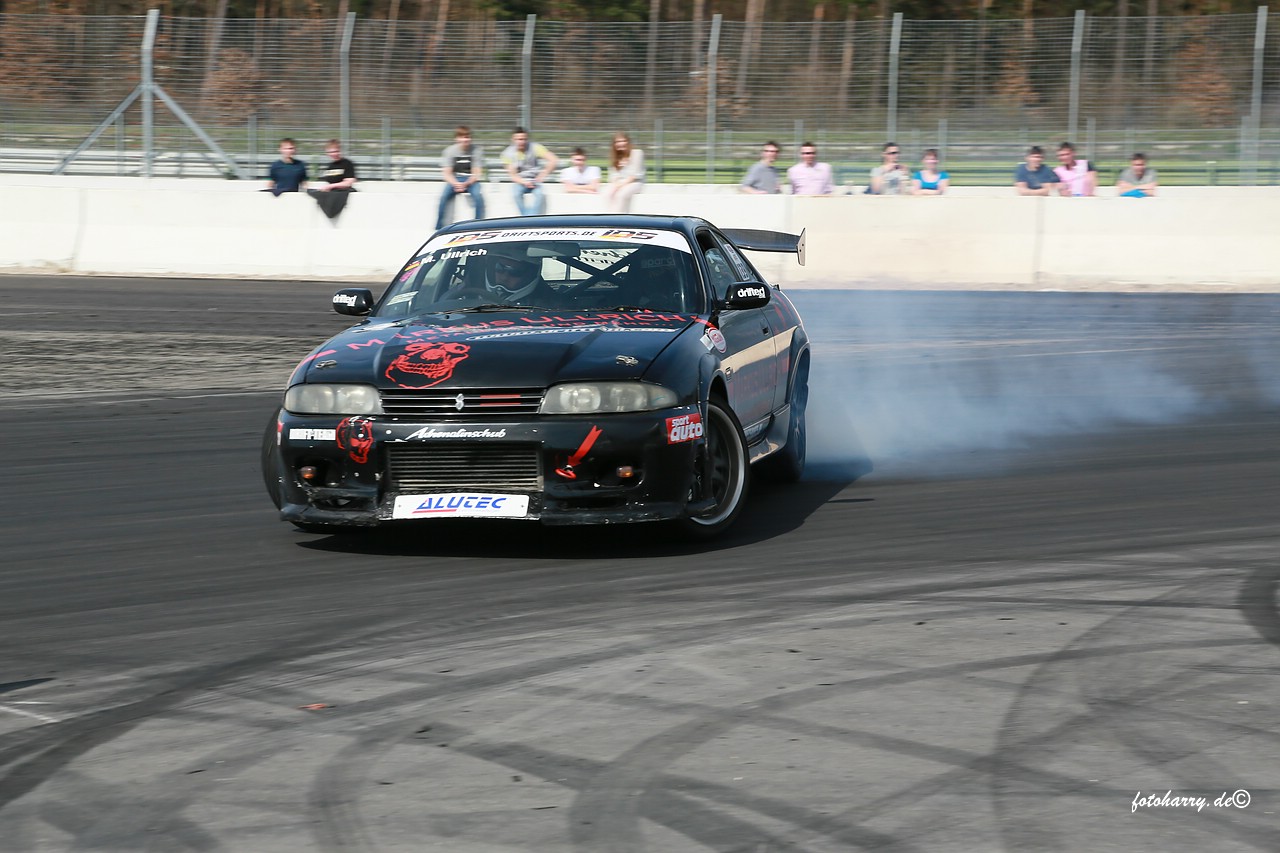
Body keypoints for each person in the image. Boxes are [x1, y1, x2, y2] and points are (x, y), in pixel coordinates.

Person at [437, 126, 486, 228]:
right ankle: (439, 226)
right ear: (457, 138)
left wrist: (466, 184)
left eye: (467, 137)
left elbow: (477, 173)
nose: (465, 140)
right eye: (462, 137)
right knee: (443, 197)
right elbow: (446, 173)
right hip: (455, 179)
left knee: (478, 196)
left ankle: (477, 225)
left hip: (471, 180)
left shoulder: (477, 150)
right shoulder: (449, 151)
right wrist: (455, 184)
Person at [502, 127, 558, 216]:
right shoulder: (507, 153)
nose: (522, 142)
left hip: (534, 179)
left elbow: (553, 160)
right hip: (519, 181)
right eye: (519, 139)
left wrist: (543, 175)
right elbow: (513, 176)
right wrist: (524, 182)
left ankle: (532, 217)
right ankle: (525, 217)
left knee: (540, 194)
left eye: (524, 139)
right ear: (513, 140)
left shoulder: (535, 147)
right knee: (516, 194)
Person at [307, 139, 357, 219]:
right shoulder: (330, 166)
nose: (334, 154)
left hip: (342, 193)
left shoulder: (347, 163)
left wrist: (331, 186)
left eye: (336, 151)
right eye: (331, 152)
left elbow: (348, 182)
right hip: (332, 192)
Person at [602, 132, 645, 212]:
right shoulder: (615, 156)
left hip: (635, 183)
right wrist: (616, 185)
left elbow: (635, 175)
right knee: (607, 193)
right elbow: (613, 175)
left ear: (628, 142)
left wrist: (621, 185)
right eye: (618, 142)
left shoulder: (637, 153)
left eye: (623, 141)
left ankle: (618, 217)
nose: (621, 144)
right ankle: (610, 215)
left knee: (621, 195)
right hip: (619, 183)